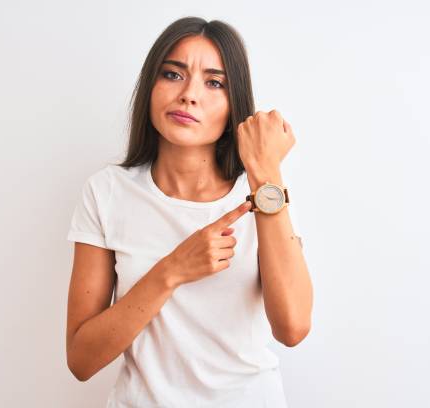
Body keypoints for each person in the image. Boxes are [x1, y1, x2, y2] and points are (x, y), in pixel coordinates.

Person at [65, 16, 313, 408]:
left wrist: (265, 175)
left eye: (214, 82)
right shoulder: (107, 192)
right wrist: (173, 269)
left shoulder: (265, 194)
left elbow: (293, 327)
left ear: (235, 104)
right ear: (151, 86)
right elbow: (81, 359)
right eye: (172, 74)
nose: (189, 95)